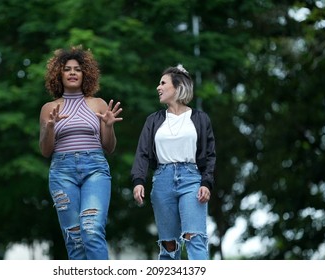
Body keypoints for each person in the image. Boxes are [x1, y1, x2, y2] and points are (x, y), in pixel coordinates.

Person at [39, 45, 123, 260]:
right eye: (67, 69)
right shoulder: (49, 108)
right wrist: (50, 128)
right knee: (74, 237)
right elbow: (45, 151)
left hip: (95, 168)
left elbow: (109, 147)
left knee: (92, 229)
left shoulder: (98, 103)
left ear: (85, 73)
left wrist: (109, 126)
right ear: (59, 74)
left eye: (77, 68)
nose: (73, 72)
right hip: (62, 172)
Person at [131, 65, 216, 260]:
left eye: (163, 83)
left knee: (194, 236)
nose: (158, 87)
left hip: (192, 180)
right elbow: (142, 153)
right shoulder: (153, 120)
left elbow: (210, 155)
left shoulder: (200, 119)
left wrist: (206, 183)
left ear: (178, 87)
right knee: (168, 243)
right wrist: (138, 181)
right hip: (162, 180)